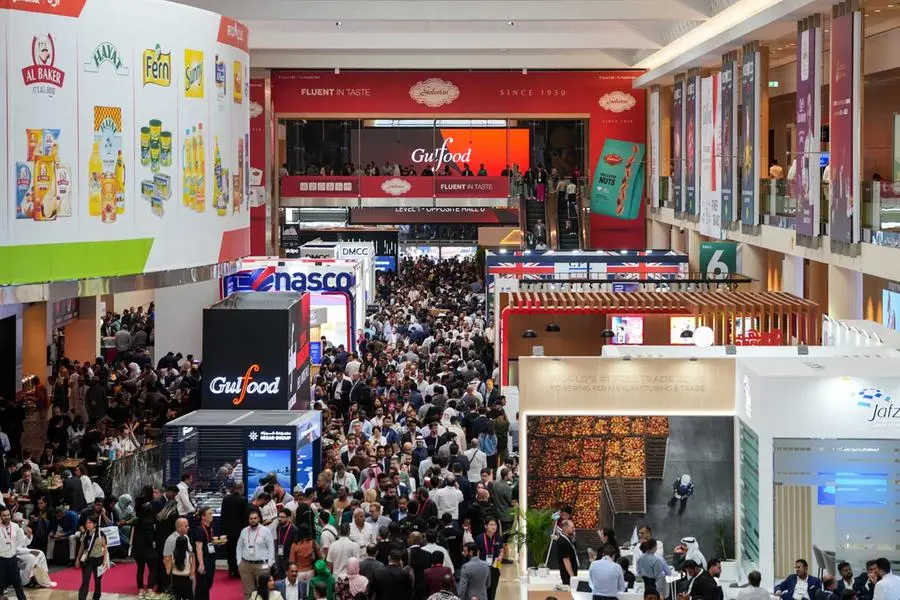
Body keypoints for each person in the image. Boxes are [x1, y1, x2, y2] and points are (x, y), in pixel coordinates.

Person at [238, 510, 277, 599]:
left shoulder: (266, 531)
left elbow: (271, 547)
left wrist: (270, 564)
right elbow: (239, 547)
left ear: (259, 519)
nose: (253, 520)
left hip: (262, 565)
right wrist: (239, 562)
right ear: (248, 520)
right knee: (248, 591)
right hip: (246, 565)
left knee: (263, 590)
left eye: (255, 518)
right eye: (251, 518)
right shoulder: (244, 531)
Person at [75, 515, 108, 600]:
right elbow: (82, 547)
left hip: (99, 559)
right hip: (88, 560)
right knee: (85, 580)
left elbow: (104, 547)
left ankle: (97, 597)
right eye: (86, 523)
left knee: (98, 580)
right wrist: (77, 559)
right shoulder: (85, 534)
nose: (87, 524)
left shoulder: (100, 534)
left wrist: (105, 560)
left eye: (90, 523)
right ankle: (82, 598)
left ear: (95, 524)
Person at [223, 481, 249, 578]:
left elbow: (223, 515)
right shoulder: (243, 500)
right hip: (239, 530)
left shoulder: (226, 499)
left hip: (228, 530)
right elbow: (245, 516)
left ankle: (231, 570)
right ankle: (238, 571)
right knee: (239, 551)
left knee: (230, 551)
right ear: (241, 488)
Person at [0, 508, 28, 600]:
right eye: (4, 515)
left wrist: (28, 535)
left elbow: (21, 540)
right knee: (0, 583)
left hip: (12, 558)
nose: (7, 517)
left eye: (8, 515)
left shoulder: (15, 526)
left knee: (17, 582)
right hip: (1, 559)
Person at [194, 506, 219, 600]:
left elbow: (208, 542)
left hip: (211, 559)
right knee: (202, 585)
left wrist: (216, 543)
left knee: (208, 584)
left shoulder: (210, 528)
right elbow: (198, 548)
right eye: (209, 514)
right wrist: (201, 564)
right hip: (204, 560)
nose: (212, 515)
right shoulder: (199, 529)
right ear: (203, 517)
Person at [170, 535, 195, 600]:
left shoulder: (172, 554)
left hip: (175, 579)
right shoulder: (190, 554)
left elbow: (170, 567)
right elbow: (192, 568)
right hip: (186, 580)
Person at [556, 519, 579, 586]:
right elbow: (566, 561)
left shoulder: (569, 539)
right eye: (572, 527)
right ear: (565, 528)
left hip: (572, 572)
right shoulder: (562, 542)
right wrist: (572, 577)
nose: (574, 529)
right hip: (567, 575)